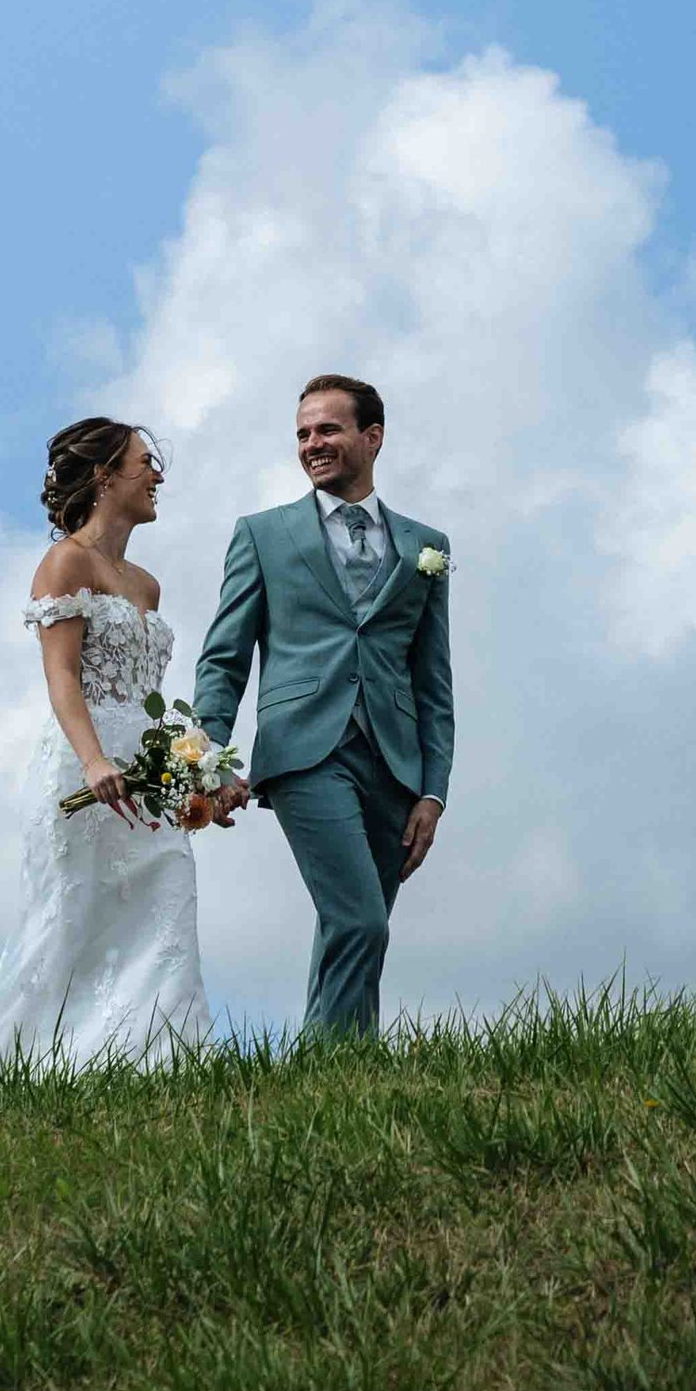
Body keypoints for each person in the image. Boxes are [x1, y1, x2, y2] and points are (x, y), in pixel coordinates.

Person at [0, 416, 222, 1066]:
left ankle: (168, 1061)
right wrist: (93, 760)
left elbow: (151, 697)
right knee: (73, 929)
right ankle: (32, 1068)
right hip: (86, 772)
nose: (157, 475)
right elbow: (62, 674)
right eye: (144, 462)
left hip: (149, 780)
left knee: (167, 906)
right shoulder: (66, 562)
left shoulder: (147, 585)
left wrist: (197, 770)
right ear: (103, 475)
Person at [190, 373, 453, 1039]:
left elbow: (433, 681)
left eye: (328, 430)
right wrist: (208, 756)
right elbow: (225, 656)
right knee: (358, 918)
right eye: (304, 433)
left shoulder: (427, 545)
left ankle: (336, 1078)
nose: (313, 444)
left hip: (396, 763)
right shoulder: (263, 535)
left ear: (373, 437)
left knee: (357, 926)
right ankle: (334, 1064)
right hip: (303, 749)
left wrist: (433, 792)